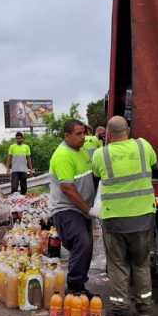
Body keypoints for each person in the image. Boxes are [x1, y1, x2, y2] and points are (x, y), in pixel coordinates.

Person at [91, 116, 158, 316]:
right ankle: (144, 307)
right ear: (127, 130)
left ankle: (120, 309)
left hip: (114, 219)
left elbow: (96, 175)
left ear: (108, 134)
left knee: (118, 265)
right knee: (141, 263)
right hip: (143, 217)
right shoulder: (143, 146)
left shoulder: (101, 154)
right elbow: (154, 164)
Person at [48, 120, 97, 295]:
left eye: (84, 133)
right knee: (82, 242)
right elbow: (68, 188)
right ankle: (75, 287)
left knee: (87, 247)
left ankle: (80, 286)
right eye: (78, 134)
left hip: (81, 209)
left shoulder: (82, 152)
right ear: (66, 135)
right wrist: (88, 209)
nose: (83, 137)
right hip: (66, 209)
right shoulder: (63, 155)